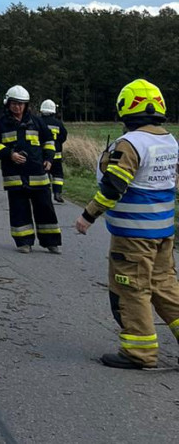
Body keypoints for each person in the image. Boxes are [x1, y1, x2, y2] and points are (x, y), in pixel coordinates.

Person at [74, 79, 179, 369]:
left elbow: (113, 186)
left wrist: (88, 215)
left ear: (125, 108)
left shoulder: (130, 144)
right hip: (162, 234)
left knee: (131, 289)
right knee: (166, 287)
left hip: (133, 236)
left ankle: (139, 352)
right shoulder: (169, 141)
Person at [0, 86, 62, 253]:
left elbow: (49, 141)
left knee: (45, 209)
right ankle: (24, 242)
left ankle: (51, 242)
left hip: (38, 175)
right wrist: (9, 154)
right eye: (14, 104)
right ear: (8, 104)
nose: (18, 107)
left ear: (26, 105)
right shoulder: (2, 124)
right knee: (19, 210)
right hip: (14, 176)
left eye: (21, 104)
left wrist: (49, 159)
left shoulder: (36, 122)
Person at [39, 99, 69, 203]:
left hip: (42, 155)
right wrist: (57, 143)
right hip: (56, 155)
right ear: (53, 110)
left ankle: (45, 194)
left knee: (43, 174)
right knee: (58, 175)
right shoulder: (58, 123)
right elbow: (64, 136)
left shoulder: (38, 122)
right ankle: (57, 194)